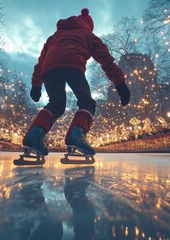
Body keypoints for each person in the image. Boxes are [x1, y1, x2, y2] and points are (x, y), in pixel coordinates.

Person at [23, 8, 130, 157]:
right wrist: (119, 82)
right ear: (88, 25)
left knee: (56, 105)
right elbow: (105, 57)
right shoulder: (87, 34)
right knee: (87, 103)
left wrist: (36, 85)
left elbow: (41, 61)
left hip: (49, 70)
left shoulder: (55, 36)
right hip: (73, 66)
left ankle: (33, 137)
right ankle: (76, 136)